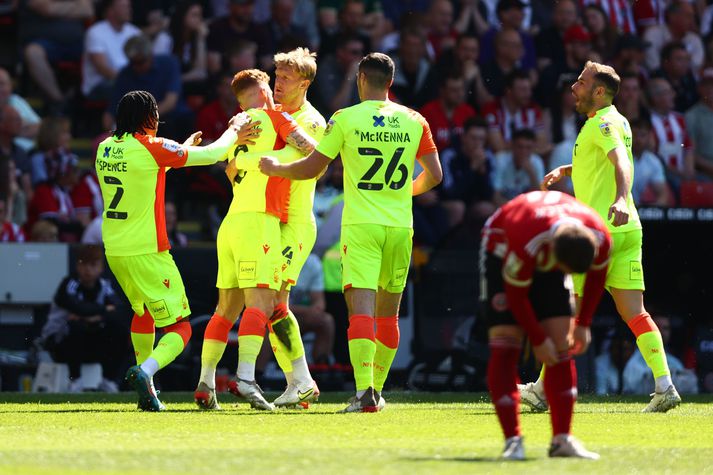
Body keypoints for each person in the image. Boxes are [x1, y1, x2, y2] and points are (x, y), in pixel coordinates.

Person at [259, 52, 443, 412]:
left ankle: (364, 393)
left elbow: (314, 167)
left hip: (361, 227)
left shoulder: (345, 118)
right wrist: (403, 191)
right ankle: (376, 390)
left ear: (360, 79)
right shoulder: (414, 119)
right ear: (390, 83)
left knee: (361, 311)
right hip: (400, 226)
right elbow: (435, 175)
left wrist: (277, 168)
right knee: (389, 315)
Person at [531, 61, 682, 413]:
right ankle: (665, 385)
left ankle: (542, 390)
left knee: (565, 309)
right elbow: (609, 159)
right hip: (628, 231)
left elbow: (621, 163)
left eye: (581, 83)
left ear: (599, 91)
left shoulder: (601, 123)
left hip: (599, 233)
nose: (574, 87)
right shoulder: (617, 119)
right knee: (635, 313)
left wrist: (618, 198)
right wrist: (568, 170)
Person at [97, 90, 254, 411]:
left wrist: (181, 150)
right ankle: (145, 371)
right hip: (148, 250)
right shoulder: (152, 147)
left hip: (115, 248)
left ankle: (148, 390)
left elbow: (142, 175)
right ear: (150, 118)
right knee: (180, 326)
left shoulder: (104, 147)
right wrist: (235, 129)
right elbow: (216, 154)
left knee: (142, 313)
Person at [195, 68, 320, 411]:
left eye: (286, 79)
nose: (279, 86)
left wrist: (241, 158)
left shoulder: (242, 123)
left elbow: (226, 164)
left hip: (241, 223)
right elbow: (314, 154)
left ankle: (207, 383)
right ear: (265, 89)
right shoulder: (276, 116)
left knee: (227, 309)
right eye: (275, 80)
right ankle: (252, 378)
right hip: (261, 222)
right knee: (265, 304)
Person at [481, 190, 611, 460]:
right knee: (506, 344)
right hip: (502, 249)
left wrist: (584, 323)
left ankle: (562, 440)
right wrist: (538, 339)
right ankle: (513, 441)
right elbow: (516, 295)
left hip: (545, 242)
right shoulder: (525, 241)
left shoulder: (600, 236)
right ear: (553, 256)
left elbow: (597, 277)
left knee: (562, 346)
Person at [39, 245, 127, 392]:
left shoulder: (104, 286)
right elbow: (77, 307)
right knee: (76, 325)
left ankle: (108, 380)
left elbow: (118, 310)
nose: (88, 269)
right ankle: (75, 380)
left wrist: (92, 316)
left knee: (119, 330)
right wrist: (102, 310)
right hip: (59, 343)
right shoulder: (68, 284)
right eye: (84, 264)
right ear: (77, 266)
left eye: (93, 265)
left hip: (91, 342)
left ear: (101, 268)